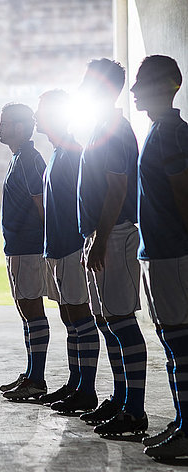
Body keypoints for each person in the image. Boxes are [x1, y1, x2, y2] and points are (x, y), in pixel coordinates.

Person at [77, 58, 147, 435]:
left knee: (122, 321)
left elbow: (118, 188)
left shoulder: (116, 129)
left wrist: (101, 239)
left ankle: (135, 411)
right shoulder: (100, 127)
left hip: (115, 233)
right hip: (101, 233)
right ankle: (122, 400)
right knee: (107, 322)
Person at [131, 55, 188, 458]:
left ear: (166, 85)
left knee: (181, 342)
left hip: (174, 251)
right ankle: (184, 420)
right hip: (160, 250)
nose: (134, 90)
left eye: (142, 82)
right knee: (172, 340)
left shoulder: (170, 132)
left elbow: (183, 192)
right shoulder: (159, 130)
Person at [35, 90, 100, 412]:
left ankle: (86, 389)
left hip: (73, 246)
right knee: (68, 317)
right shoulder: (58, 153)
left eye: (42, 112)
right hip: (57, 247)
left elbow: (86, 201)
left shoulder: (73, 153)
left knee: (80, 316)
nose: (36, 117)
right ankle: (76, 382)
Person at [0, 103, 49, 401]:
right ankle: (32, 373)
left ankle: (38, 378)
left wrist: (43, 246)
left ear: (18, 126)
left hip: (29, 249)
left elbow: (43, 205)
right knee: (25, 311)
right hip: (18, 247)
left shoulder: (29, 159)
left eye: (4, 123)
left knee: (32, 310)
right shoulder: (19, 158)